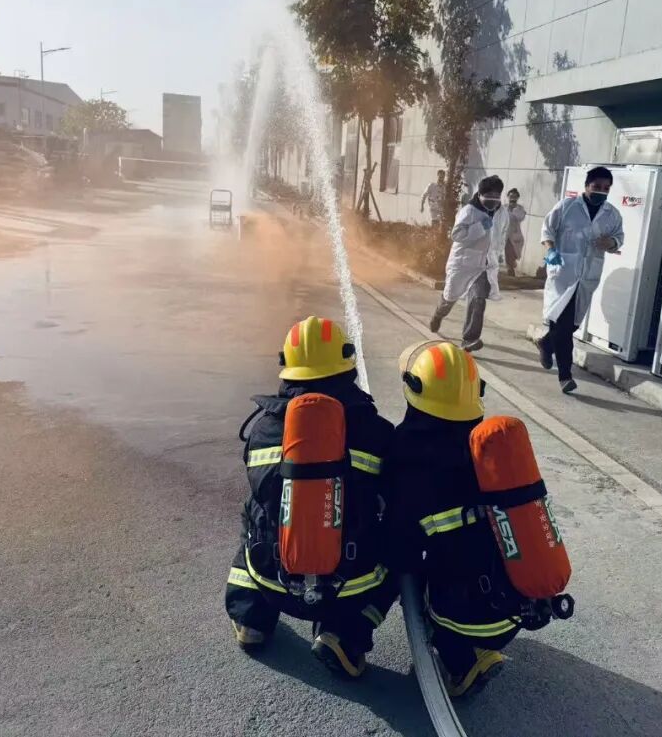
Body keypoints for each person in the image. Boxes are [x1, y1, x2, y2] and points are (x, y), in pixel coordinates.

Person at [388, 341, 573, 698]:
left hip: (464, 617)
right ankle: (482, 645)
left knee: (416, 567)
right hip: (520, 605)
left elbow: (401, 548)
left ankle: (465, 662)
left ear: (415, 391)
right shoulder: (489, 452)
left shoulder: (411, 461)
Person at [225, 316, 396, 679]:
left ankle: (251, 619)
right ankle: (344, 635)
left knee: (254, 511)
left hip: (273, 578)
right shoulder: (376, 431)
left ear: (287, 367)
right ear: (347, 363)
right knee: (397, 546)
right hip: (350, 585)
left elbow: (261, 487)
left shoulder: (265, 428)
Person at [537, 166, 625, 394]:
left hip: (587, 277)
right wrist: (550, 249)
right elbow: (547, 230)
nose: (601, 191)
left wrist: (611, 243)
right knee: (563, 326)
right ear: (586, 186)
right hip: (563, 273)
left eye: (606, 188)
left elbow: (619, 237)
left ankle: (546, 343)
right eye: (596, 186)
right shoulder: (567, 206)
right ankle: (565, 376)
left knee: (573, 324)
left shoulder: (612, 214)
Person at [429, 175, 509, 353]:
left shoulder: (502, 212)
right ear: (480, 194)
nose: (493, 201)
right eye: (489, 197)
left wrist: (499, 252)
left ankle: (469, 338)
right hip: (464, 263)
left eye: (496, 197)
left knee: (478, 299)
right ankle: (438, 315)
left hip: (484, 266)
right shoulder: (469, 211)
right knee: (450, 297)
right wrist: (479, 227)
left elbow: (502, 233)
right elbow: (456, 235)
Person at [504, 188, 527, 277]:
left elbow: (520, 217)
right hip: (505, 234)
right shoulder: (503, 208)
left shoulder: (520, 209)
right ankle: (510, 270)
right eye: (511, 196)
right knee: (508, 253)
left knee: (513, 254)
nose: (512, 198)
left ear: (517, 198)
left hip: (515, 235)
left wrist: (513, 209)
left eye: (514, 197)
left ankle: (511, 266)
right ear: (508, 197)